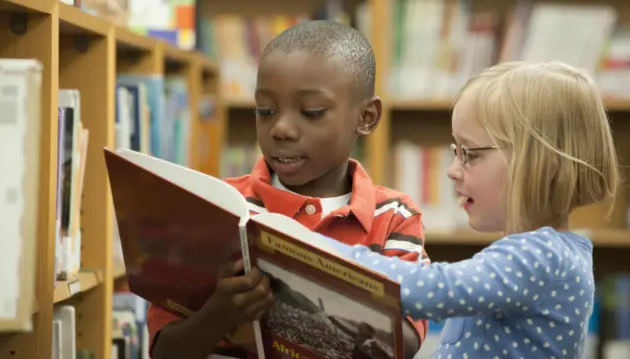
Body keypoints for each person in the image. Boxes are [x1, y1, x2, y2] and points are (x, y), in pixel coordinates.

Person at [149, 20, 430, 359]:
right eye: (265, 111)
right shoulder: (215, 208)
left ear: (366, 117)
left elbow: (402, 344)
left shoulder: (394, 219)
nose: (280, 129)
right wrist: (221, 312)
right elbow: (165, 351)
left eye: (311, 113)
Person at [319, 61, 620, 358]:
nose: (452, 171)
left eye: (470, 155)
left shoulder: (540, 256)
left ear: (540, 165)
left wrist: (320, 251)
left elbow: (434, 290)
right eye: (455, 152)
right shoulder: (547, 253)